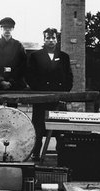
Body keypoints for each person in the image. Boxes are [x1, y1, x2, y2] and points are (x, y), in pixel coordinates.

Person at [27, 27, 73, 160]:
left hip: (58, 98)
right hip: (41, 99)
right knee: (38, 127)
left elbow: (69, 77)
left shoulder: (64, 57)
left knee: (59, 128)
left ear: (57, 39)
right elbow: (30, 76)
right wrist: (38, 91)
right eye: (48, 38)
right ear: (44, 39)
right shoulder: (35, 56)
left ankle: (62, 153)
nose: (51, 40)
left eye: (53, 38)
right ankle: (36, 153)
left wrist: (64, 94)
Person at [0, 17, 28, 91]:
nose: (7, 30)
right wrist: (1, 81)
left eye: (10, 28)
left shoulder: (18, 45)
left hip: (14, 83)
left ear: (13, 29)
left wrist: (11, 80)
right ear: (1, 28)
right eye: (5, 27)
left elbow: (22, 65)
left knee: (13, 101)